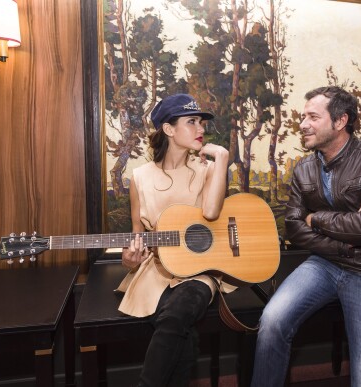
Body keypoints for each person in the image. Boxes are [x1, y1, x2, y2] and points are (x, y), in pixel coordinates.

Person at [251, 86, 361, 387]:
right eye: (302, 116)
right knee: (271, 323)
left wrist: (315, 218)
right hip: (323, 264)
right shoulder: (304, 169)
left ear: (340, 121)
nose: (303, 124)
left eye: (312, 117)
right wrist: (344, 242)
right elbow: (293, 227)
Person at [116, 93, 232, 387]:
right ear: (168, 129)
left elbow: (211, 211)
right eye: (191, 121)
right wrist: (129, 259)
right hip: (157, 269)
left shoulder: (207, 170)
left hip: (200, 270)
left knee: (175, 315)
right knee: (180, 327)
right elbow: (136, 236)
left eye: (201, 122)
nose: (200, 128)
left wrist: (222, 158)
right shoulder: (140, 178)